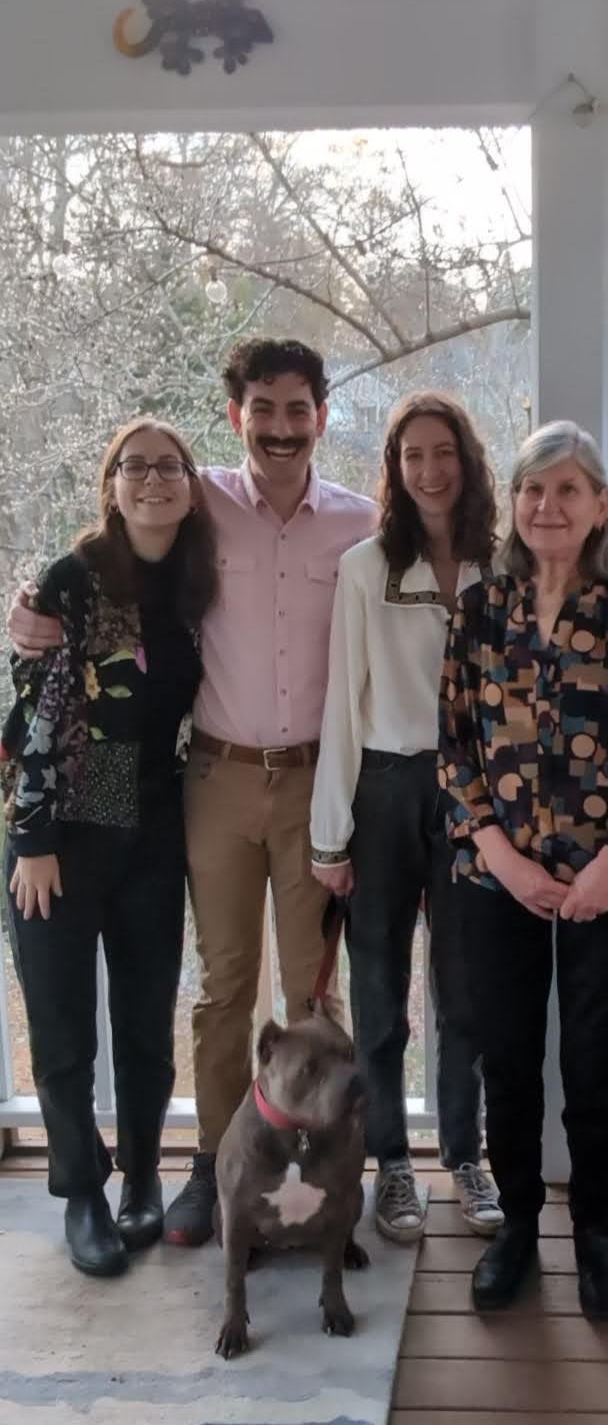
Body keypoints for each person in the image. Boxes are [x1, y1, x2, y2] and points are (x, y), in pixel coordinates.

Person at [7, 339, 380, 1246]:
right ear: (237, 418)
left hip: (308, 784)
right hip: (209, 778)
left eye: (299, 410)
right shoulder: (200, 497)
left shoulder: (359, 523)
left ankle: (320, 1183)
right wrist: (37, 614)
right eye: (265, 410)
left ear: (322, 416)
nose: (282, 428)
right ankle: (216, 1171)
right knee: (219, 988)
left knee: (310, 993)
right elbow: (111, 539)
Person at [438, 420, 608, 1320]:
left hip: (602, 881)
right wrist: (496, 851)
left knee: (593, 1062)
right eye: (535, 488)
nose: (549, 505)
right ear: (516, 503)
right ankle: (521, 1229)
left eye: (569, 489)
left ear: (600, 504)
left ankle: (592, 1235)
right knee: (507, 1058)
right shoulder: (479, 609)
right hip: (498, 879)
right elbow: (454, 746)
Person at [1, 418, 216, 1276]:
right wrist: (34, 838)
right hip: (61, 835)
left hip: (154, 830)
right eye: (136, 467)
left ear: (192, 483)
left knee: (144, 1017)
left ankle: (139, 1178)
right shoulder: (72, 580)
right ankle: (81, 1188)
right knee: (60, 1024)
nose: (153, 480)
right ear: (112, 483)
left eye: (169, 466)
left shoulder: (201, 581)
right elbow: (29, 721)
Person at [310, 392, 502, 1243]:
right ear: (393, 468)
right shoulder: (364, 568)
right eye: (412, 455)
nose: (430, 469)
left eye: (443, 451)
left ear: (467, 461)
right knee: (380, 988)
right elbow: (341, 707)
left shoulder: (502, 564)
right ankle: (391, 1161)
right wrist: (330, 834)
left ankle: (464, 1150)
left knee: (466, 985)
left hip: (476, 794)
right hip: (385, 786)